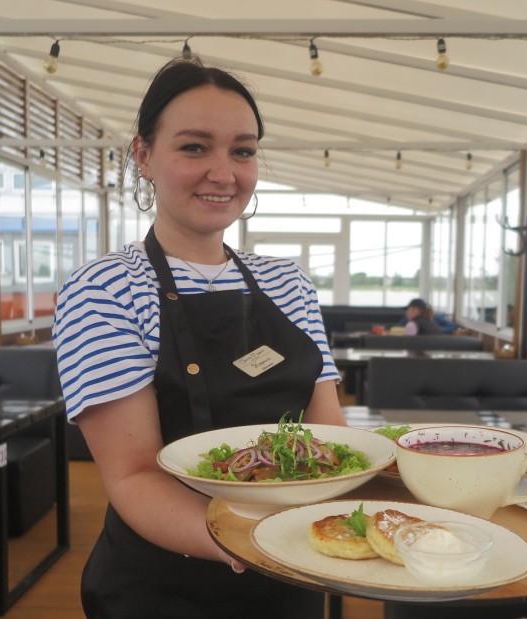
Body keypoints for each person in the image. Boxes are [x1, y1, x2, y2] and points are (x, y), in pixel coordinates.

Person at [52, 57, 344, 618]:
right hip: (167, 586)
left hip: (295, 576)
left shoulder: (289, 281)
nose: (224, 172)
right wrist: (255, 544)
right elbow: (135, 476)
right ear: (143, 156)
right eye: (194, 147)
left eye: (242, 149)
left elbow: (329, 436)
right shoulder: (106, 288)